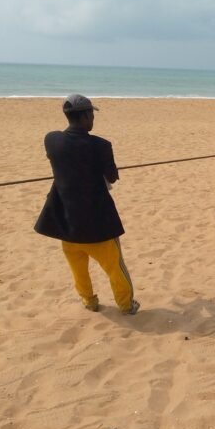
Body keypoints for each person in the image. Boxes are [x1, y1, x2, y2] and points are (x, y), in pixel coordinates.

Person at [34, 94, 139, 315]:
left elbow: (62, 157)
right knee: (115, 268)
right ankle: (126, 305)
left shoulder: (51, 139)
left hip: (66, 225)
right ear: (83, 116)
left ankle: (89, 302)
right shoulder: (100, 145)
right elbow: (111, 177)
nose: (93, 119)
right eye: (91, 115)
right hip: (97, 226)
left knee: (78, 269)